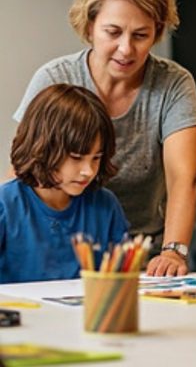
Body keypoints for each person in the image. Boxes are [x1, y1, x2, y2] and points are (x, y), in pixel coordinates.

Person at [13, 0, 196, 277]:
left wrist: (173, 251)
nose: (126, 49)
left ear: (156, 31)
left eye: (141, 35)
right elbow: (25, 168)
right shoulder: (54, 78)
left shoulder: (173, 84)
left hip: (140, 255)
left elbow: (184, 179)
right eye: (113, 32)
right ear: (90, 27)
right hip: (62, 253)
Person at [0, 84, 129, 283]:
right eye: (76, 157)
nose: (88, 171)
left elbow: (121, 282)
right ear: (42, 147)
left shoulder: (106, 206)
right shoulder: (5, 205)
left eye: (96, 158)